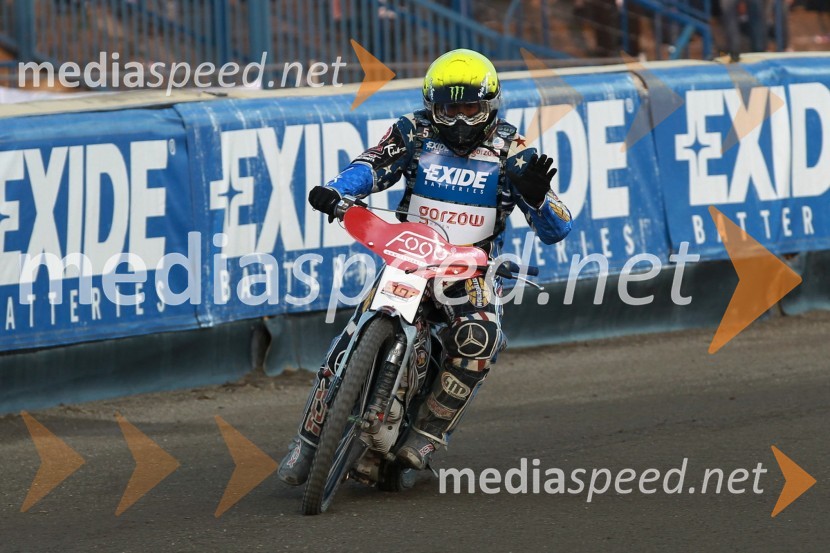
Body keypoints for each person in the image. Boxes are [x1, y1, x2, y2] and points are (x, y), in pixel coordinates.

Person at [278, 49, 573, 485]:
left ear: (489, 105)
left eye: (468, 107)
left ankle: (426, 435)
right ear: (432, 104)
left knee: (481, 338)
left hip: (469, 271)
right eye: (449, 108)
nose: (457, 120)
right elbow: (371, 165)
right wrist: (336, 191)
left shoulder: (515, 150)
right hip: (409, 258)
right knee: (351, 332)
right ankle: (306, 442)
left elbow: (557, 228)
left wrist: (537, 197)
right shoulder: (412, 131)